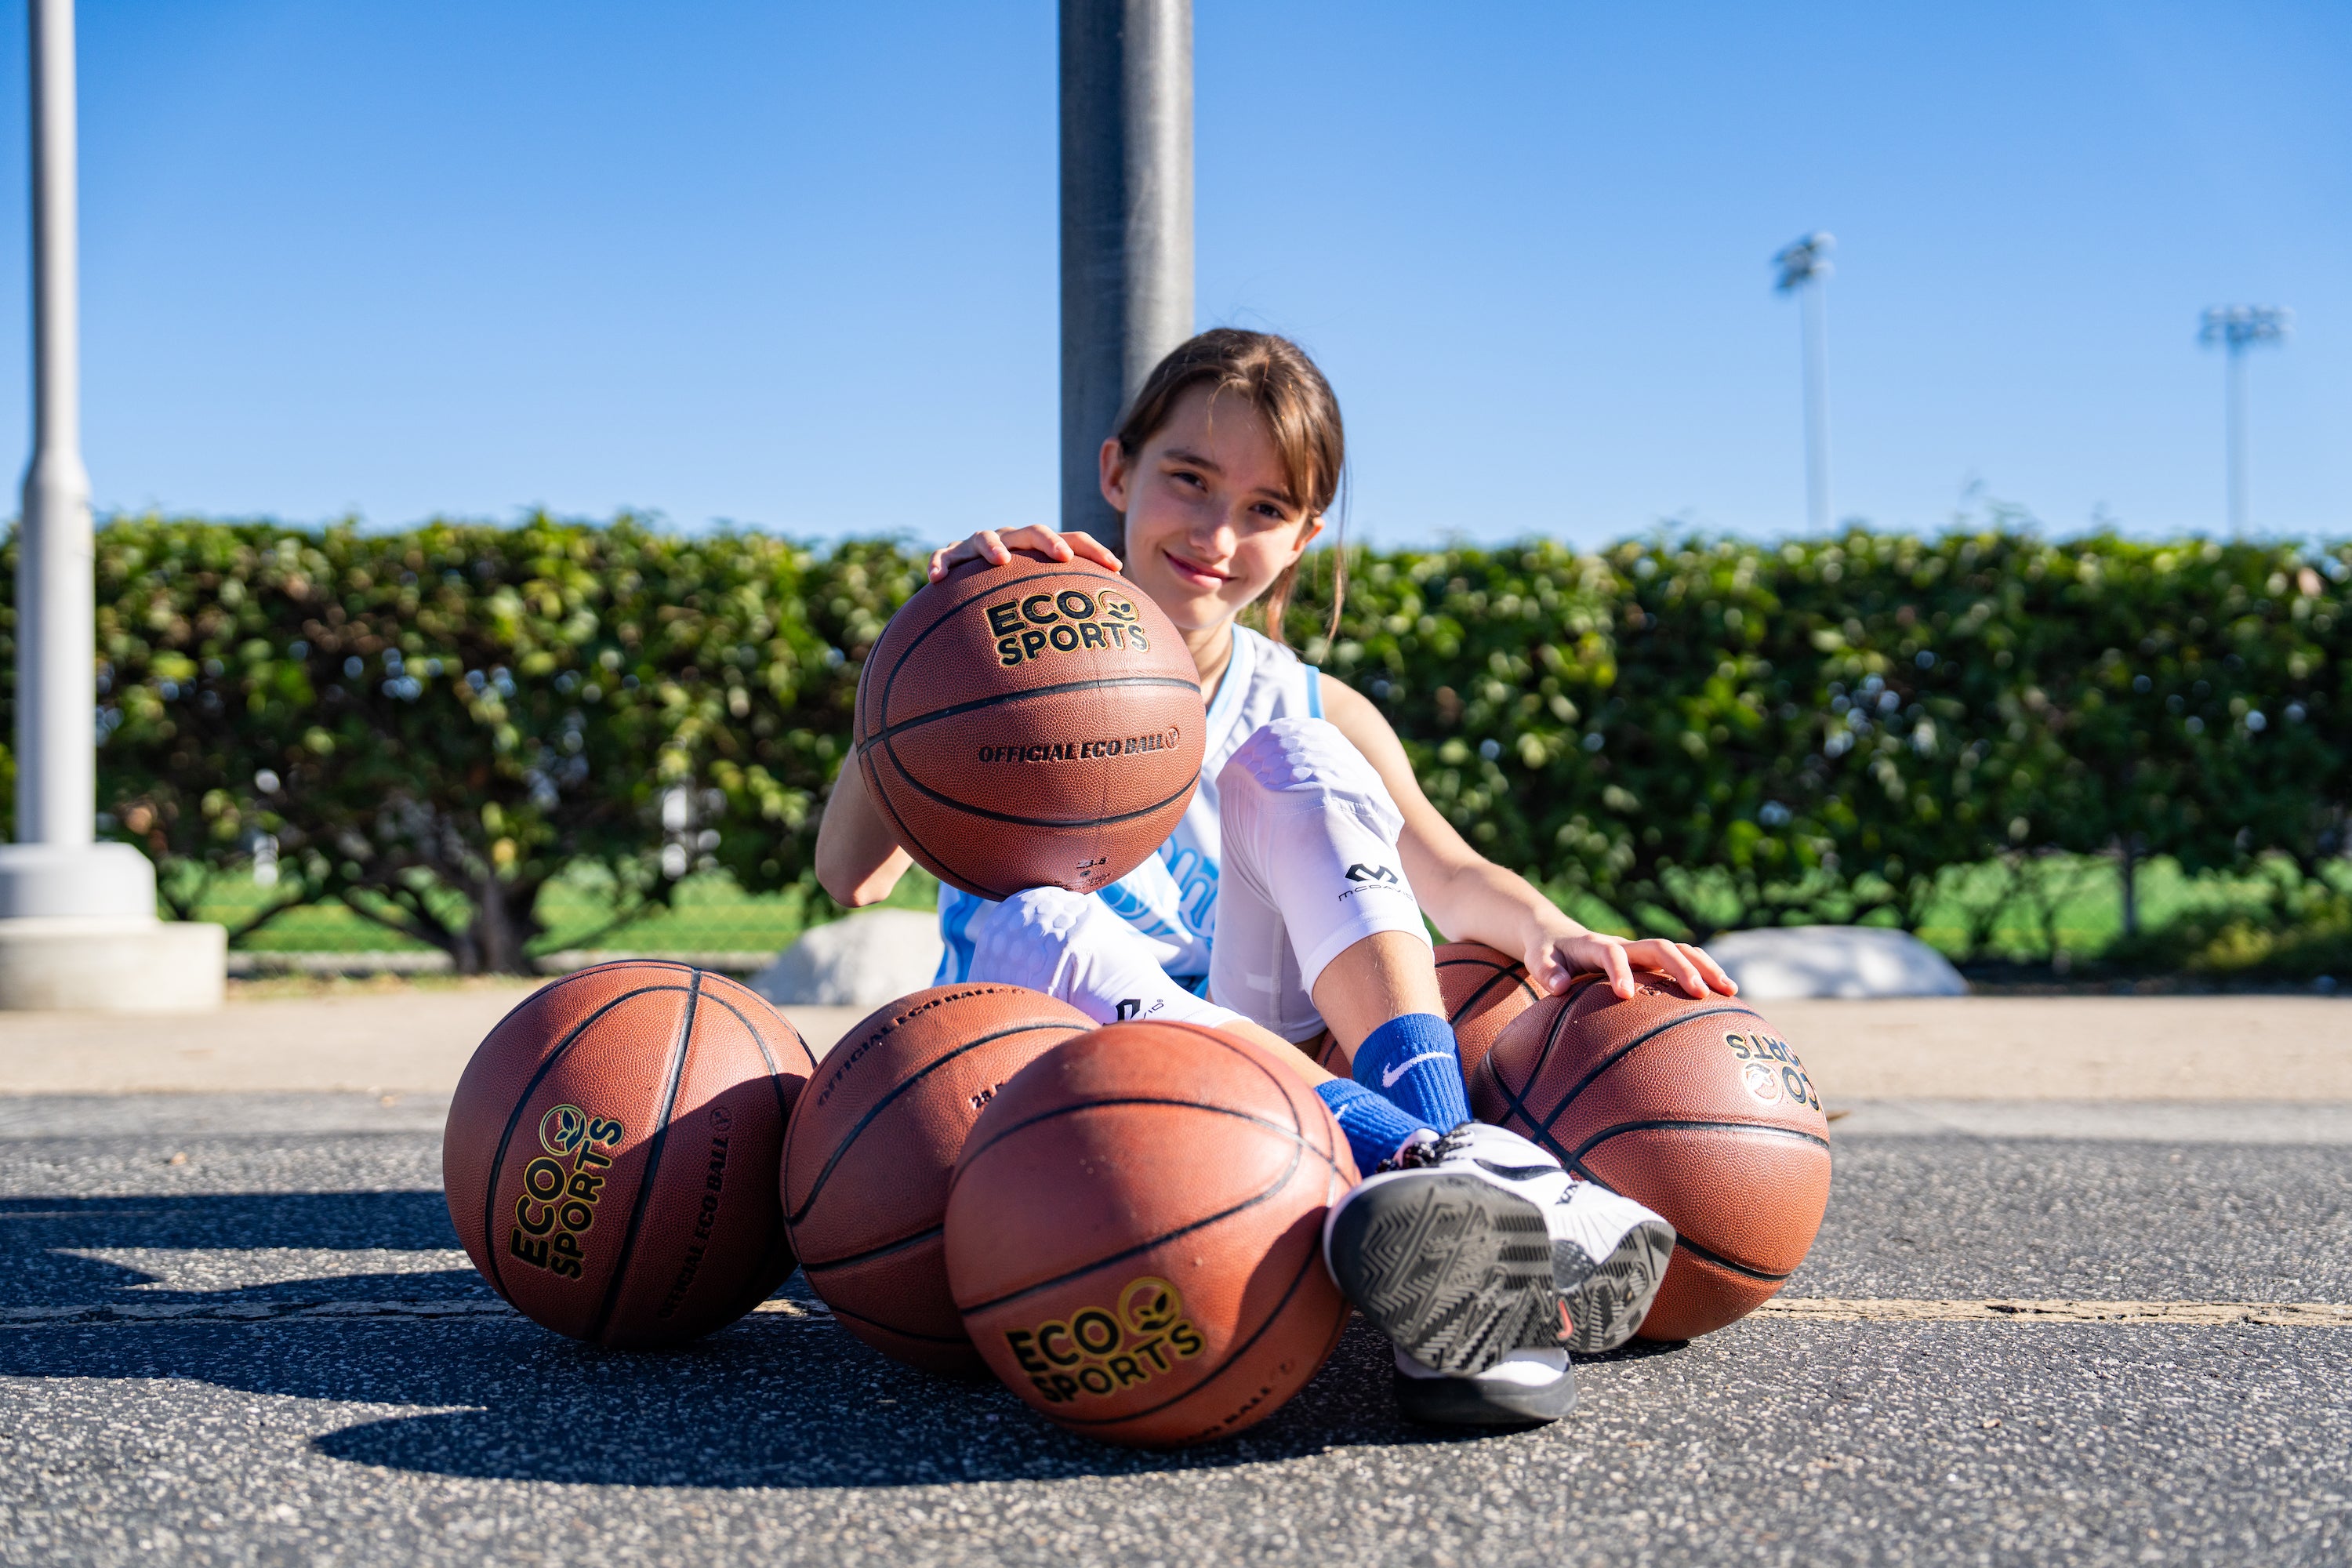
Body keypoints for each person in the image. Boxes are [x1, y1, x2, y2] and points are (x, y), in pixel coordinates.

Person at [815, 328, 1736, 1425]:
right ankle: (1460, 1170)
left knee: (1302, 764)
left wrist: (1557, 931)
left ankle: (1439, 1184)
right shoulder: (999, 664)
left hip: (1269, 1106)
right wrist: (931, 650)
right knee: (1041, 921)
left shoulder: (1307, 700)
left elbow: (1444, 871)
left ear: (1304, 537)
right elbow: (848, 877)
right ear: (1118, 472)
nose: (1216, 533)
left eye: (1264, 508)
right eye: (1189, 481)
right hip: (1059, 1083)